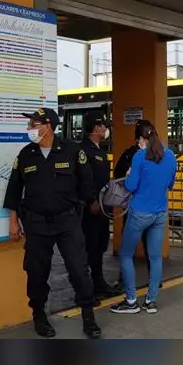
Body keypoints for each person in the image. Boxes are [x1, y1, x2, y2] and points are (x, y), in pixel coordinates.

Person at [3, 107, 102, 339]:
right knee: (36, 273)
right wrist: (13, 222)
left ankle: (89, 317)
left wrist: (85, 207)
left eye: (33, 124)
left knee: (79, 270)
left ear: (48, 127)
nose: (29, 128)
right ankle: (39, 316)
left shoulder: (72, 151)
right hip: (36, 223)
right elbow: (14, 189)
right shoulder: (26, 155)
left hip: (67, 222)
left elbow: (87, 185)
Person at [109, 122, 177, 315]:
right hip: (160, 213)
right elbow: (170, 184)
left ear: (141, 139)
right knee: (155, 257)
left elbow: (130, 186)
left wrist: (130, 174)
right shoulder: (170, 155)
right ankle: (151, 300)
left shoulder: (139, 156)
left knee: (126, 254)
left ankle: (131, 301)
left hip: (139, 212)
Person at [111, 119, 160, 290]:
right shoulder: (158, 153)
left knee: (129, 248)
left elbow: (120, 176)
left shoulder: (132, 154)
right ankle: (154, 280)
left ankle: (124, 281)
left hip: (135, 207)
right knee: (151, 247)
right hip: (151, 207)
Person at [78, 111, 121, 304]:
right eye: (104, 126)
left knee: (100, 246)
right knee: (89, 248)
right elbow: (83, 180)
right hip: (90, 209)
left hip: (102, 207)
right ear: (96, 128)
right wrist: (90, 201)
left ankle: (99, 283)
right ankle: (87, 289)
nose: (106, 129)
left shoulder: (99, 151)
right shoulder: (83, 151)